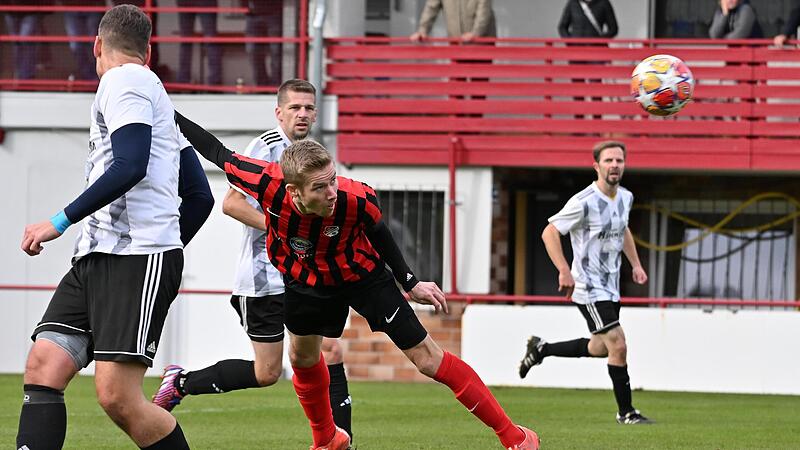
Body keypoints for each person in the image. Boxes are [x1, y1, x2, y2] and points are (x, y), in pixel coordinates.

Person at [175, 112, 540, 450]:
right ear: (293, 192)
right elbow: (215, 149)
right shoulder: (267, 183)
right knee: (302, 358)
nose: (332, 192)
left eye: (332, 180)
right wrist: (166, 111)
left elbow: (380, 231)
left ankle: (515, 437)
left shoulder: (356, 196)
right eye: (320, 187)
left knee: (428, 359)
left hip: (363, 277)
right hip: (306, 281)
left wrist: (410, 282)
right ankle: (327, 440)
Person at [15, 6, 213, 449]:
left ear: (97, 45)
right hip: (98, 255)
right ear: (149, 48)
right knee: (44, 367)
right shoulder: (155, 99)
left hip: (134, 260)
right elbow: (200, 197)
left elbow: (130, 164)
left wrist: (60, 221)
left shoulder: (123, 82)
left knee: (117, 397)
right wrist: (168, 247)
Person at [152, 79, 354, 441]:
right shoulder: (265, 148)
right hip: (264, 279)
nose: (303, 114)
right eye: (295, 107)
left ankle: (340, 441)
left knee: (330, 348)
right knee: (267, 373)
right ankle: (181, 383)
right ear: (279, 112)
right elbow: (231, 203)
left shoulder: (314, 154)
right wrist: (285, 230)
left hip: (301, 277)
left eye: (309, 107)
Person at [518, 140, 652, 426]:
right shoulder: (584, 201)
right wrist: (564, 270)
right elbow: (549, 232)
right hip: (588, 287)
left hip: (612, 286)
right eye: (608, 161)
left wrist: (636, 265)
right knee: (618, 344)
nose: (614, 165)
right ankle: (626, 413)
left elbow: (623, 229)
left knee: (601, 347)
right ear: (596, 166)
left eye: (619, 160)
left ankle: (542, 349)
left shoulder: (626, 197)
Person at [176, 0, 222, 85]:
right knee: (210, 40)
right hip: (203, 3)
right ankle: (214, 81)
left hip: (187, 3)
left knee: (186, 41)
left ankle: (183, 80)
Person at [409, 0, 496, 43]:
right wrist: (423, 30)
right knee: (456, 77)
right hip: (457, 42)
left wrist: (476, 33)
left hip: (481, 43)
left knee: (479, 76)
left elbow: (484, 11)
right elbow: (431, 8)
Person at [61, 0, 105, 80]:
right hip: (70, 6)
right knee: (75, 45)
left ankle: (99, 76)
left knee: (95, 43)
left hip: (93, 5)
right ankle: (89, 77)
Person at [242, 0, 283, 86]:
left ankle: (275, 86)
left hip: (274, 13)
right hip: (253, 14)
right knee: (253, 51)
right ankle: (261, 85)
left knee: (276, 51)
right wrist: (246, 7)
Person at [3, 0, 44, 79]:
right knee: (17, 45)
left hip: (30, 10)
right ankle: (20, 74)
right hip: (10, 10)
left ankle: (26, 76)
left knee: (25, 41)